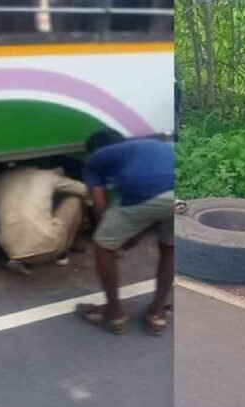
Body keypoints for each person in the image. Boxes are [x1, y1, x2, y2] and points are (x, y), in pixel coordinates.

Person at [74, 128, 174, 336]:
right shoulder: (148, 147)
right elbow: (144, 210)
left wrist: (110, 239)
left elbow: (100, 203)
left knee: (102, 246)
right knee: (169, 247)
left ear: (95, 150)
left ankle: (115, 313)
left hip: (147, 191)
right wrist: (132, 234)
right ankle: (157, 313)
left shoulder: (94, 160)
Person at [0, 166, 88, 275]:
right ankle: (62, 253)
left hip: (10, 251)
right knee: (74, 199)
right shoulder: (48, 175)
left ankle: (21, 259)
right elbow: (83, 189)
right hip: (49, 248)